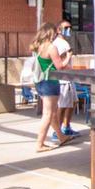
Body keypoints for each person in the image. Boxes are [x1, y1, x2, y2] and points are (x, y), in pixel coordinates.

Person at [30, 23, 73, 153]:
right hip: (50, 82)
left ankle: (61, 136)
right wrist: (68, 57)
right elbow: (59, 66)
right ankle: (40, 143)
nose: (56, 34)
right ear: (50, 33)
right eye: (55, 32)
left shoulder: (38, 47)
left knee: (52, 112)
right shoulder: (51, 47)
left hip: (40, 82)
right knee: (48, 114)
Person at [52, 19, 79, 140]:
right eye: (66, 28)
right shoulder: (60, 44)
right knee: (62, 106)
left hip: (69, 78)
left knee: (72, 103)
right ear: (59, 30)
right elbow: (61, 63)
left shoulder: (64, 43)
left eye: (70, 27)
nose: (69, 30)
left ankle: (66, 126)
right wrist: (68, 56)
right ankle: (57, 132)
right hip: (63, 80)